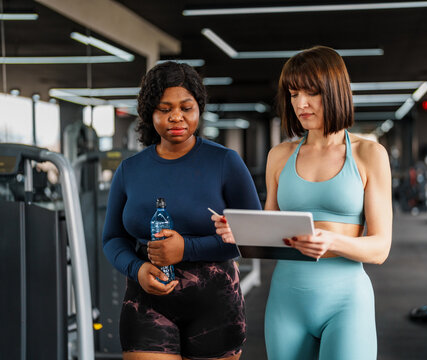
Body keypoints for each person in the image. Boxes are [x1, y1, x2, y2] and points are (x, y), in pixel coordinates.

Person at [214, 46, 392, 359]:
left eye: (311, 93)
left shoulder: (369, 154)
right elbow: (271, 238)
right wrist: (240, 234)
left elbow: (380, 248)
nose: (301, 104)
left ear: (334, 92)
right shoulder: (279, 156)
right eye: (294, 94)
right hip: (287, 300)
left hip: (347, 302)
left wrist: (332, 241)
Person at [102, 61, 261, 360]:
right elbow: (112, 239)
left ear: (198, 109)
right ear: (151, 113)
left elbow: (254, 237)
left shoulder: (225, 162)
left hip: (215, 307)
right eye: (164, 108)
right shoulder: (130, 170)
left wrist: (185, 248)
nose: (176, 116)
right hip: (146, 300)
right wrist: (137, 268)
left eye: (186, 108)